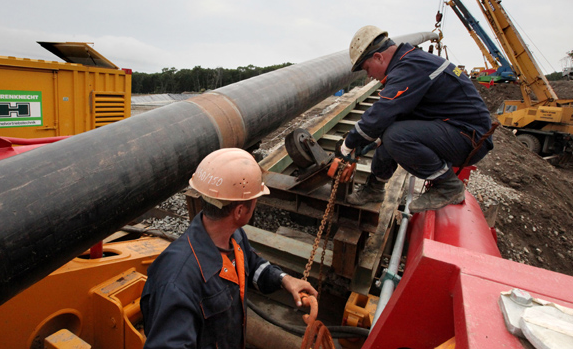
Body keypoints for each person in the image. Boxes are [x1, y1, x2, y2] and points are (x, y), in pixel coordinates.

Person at [140, 148, 318, 349]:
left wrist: (285, 280)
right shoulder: (178, 280)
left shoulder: (234, 237)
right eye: (255, 199)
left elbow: (252, 265)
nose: (257, 203)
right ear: (240, 211)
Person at [341, 25, 493, 213]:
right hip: (455, 129)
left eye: (367, 68)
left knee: (395, 136)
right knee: (387, 131)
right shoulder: (410, 62)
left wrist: (348, 144)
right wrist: (369, 143)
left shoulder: (410, 67)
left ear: (378, 57)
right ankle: (374, 188)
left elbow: (381, 113)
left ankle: (448, 186)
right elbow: (389, 118)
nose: (370, 75)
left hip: (469, 138)